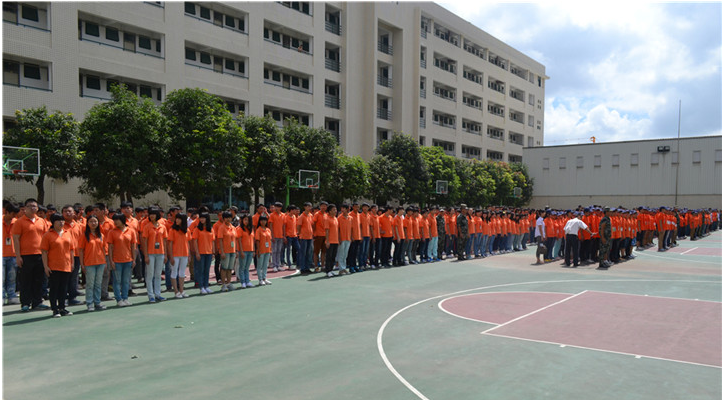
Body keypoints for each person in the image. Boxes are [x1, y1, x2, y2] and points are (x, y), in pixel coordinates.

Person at [12, 198, 50, 312]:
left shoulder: (41, 221)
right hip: (26, 255)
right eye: (30, 206)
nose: (33, 208)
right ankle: (25, 303)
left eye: (34, 206)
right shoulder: (20, 222)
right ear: (25, 208)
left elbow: (46, 237)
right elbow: (16, 239)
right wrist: (18, 256)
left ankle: (37, 302)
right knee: (26, 280)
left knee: (39, 280)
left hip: (40, 254)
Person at [40, 214, 75, 317]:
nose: (61, 222)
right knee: (54, 288)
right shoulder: (48, 235)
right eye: (58, 220)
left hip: (66, 265)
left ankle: (62, 307)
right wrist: (46, 266)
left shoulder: (68, 233)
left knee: (63, 288)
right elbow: (44, 252)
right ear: (53, 222)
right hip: (54, 266)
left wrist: (72, 263)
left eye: (62, 220)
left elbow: (71, 250)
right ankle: (55, 309)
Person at [106, 214, 137, 307]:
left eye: (117, 220)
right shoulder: (112, 232)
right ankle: (119, 299)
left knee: (126, 281)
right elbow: (110, 247)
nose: (115, 222)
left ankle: (125, 298)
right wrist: (111, 261)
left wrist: (134, 259)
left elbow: (133, 246)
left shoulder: (131, 231)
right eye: (114, 220)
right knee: (117, 281)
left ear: (122, 220)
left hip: (128, 260)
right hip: (116, 260)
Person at [78, 214, 107, 311]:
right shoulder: (84, 236)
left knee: (98, 283)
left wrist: (105, 262)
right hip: (89, 263)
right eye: (91, 221)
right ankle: (90, 303)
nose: (93, 223)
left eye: (95, 221)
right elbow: (81, 251)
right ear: (87, 223)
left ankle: (97, 302)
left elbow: (104, 249)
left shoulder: (101, 235)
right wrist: (82, 264)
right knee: (90, 284)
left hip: (100, 262)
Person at [141, 208, 167, 303]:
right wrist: (146, 255)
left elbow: (164, 241)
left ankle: (158, 294)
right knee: (150, 274)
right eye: (150, 214)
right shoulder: (147, 227)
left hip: (160, 253)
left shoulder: (162, 227)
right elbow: (144, 242)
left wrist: (165, 254)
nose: (151, 216)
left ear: (157, 215)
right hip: (150, 253)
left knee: (158, 274)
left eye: (153, 214)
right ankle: (151, 295)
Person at [167, 213, 190, 298]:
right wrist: (171, 256)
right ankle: (176, 291)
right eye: (176, 218)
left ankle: (181, 290)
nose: (177, 220)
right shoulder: (172, 230)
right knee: (174, 272)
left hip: (184, 254)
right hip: (175, 254)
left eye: (179, 219)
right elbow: (169, 244)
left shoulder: (187, 230)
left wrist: (189, 255)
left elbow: (188, 243)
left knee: (182, 273)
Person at [192, 212, 215, 294]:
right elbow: (195, 241)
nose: (202, 219)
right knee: (200, 270)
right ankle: (201, 287)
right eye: (200, 218)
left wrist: (213, 252)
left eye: (203, 218)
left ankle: (206, 286)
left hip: (209, 252)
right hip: (201, 253)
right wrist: (197, 253)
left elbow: (212, 241)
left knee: (207, 270)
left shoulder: (211, 229)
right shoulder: (197, 229)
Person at [3, 202, 19, 305]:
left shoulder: (16, 222)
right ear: (6, 212)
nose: (14, 216)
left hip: (13, 254)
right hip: (2, 254)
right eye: (13, 214)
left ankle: (11, 296)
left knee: (12, 278)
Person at [217, 211, 237, 291]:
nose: (228, 219)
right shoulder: (221, 228)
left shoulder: (233, 227)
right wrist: (222, 252)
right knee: (224, 268)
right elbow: (220, 240)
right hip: (225, 251)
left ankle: (228, 283)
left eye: (229, 217)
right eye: (226, 218)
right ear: (223, 218)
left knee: (230, 268)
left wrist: (236, 250)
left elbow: (235, 239)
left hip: (232, 251)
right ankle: (223, 284)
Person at [237, 214, 255, 288]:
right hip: (243, 251)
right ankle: (243, 282)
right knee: (242, 267)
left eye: (248, 220)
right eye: (245, 220)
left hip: (250, 250)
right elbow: (239, 241)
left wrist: (253, 250)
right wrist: (241, 251)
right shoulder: (240, 229)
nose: (246, 221)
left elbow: (253, 240)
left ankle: (247, 281)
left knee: (247, 267)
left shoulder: (251, 229)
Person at [254, 215, 272, 286]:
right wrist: (258, 250)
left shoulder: (268, 230)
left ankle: (264, 278)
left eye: (265, 220)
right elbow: (257, 241)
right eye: (262, 220)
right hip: (261, 250)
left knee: (265, 265)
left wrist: (270, 249)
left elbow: (270, 240)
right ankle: (260, 279)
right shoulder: (258, 230)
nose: (263, 222)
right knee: (259, 266)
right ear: (259, 221)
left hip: (267, 250)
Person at [297, 202, 314, 275]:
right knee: (303, 253)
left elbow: (312, 225)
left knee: (308, 253)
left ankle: (307, 267)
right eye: (308, 206)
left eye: (310, 206)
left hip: (310, 236)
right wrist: (299, 233)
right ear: (305, 207)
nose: (310, 208)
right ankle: (302, 268)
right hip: (304, 237)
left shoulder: (310, 215)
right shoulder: (302, 216)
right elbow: (299, 226)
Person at [268, 202, 286, 273]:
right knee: (274, 251)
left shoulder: (283, 215)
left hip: (280, 235)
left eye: (277, 207)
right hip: (274, 236)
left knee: (279, 251)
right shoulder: (272, 215)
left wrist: (284, 235)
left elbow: (283, 226)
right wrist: (272, 236)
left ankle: (278, 265)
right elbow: (271, 226)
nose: (276, 208)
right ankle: (274, 265)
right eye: (275, 207)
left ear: (280, 208)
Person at [324, 204, 340, 277]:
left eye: (336, 209)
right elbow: (327, 231)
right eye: (334, 210)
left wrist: (338, 239)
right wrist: (327, 241)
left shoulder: (335, 219)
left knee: (333, 256)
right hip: (330, 241)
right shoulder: (327, 219)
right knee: (329, 257)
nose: (335, 211)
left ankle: (331, 270)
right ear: (330, 211)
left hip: (335, 241)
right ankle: (328, 271)